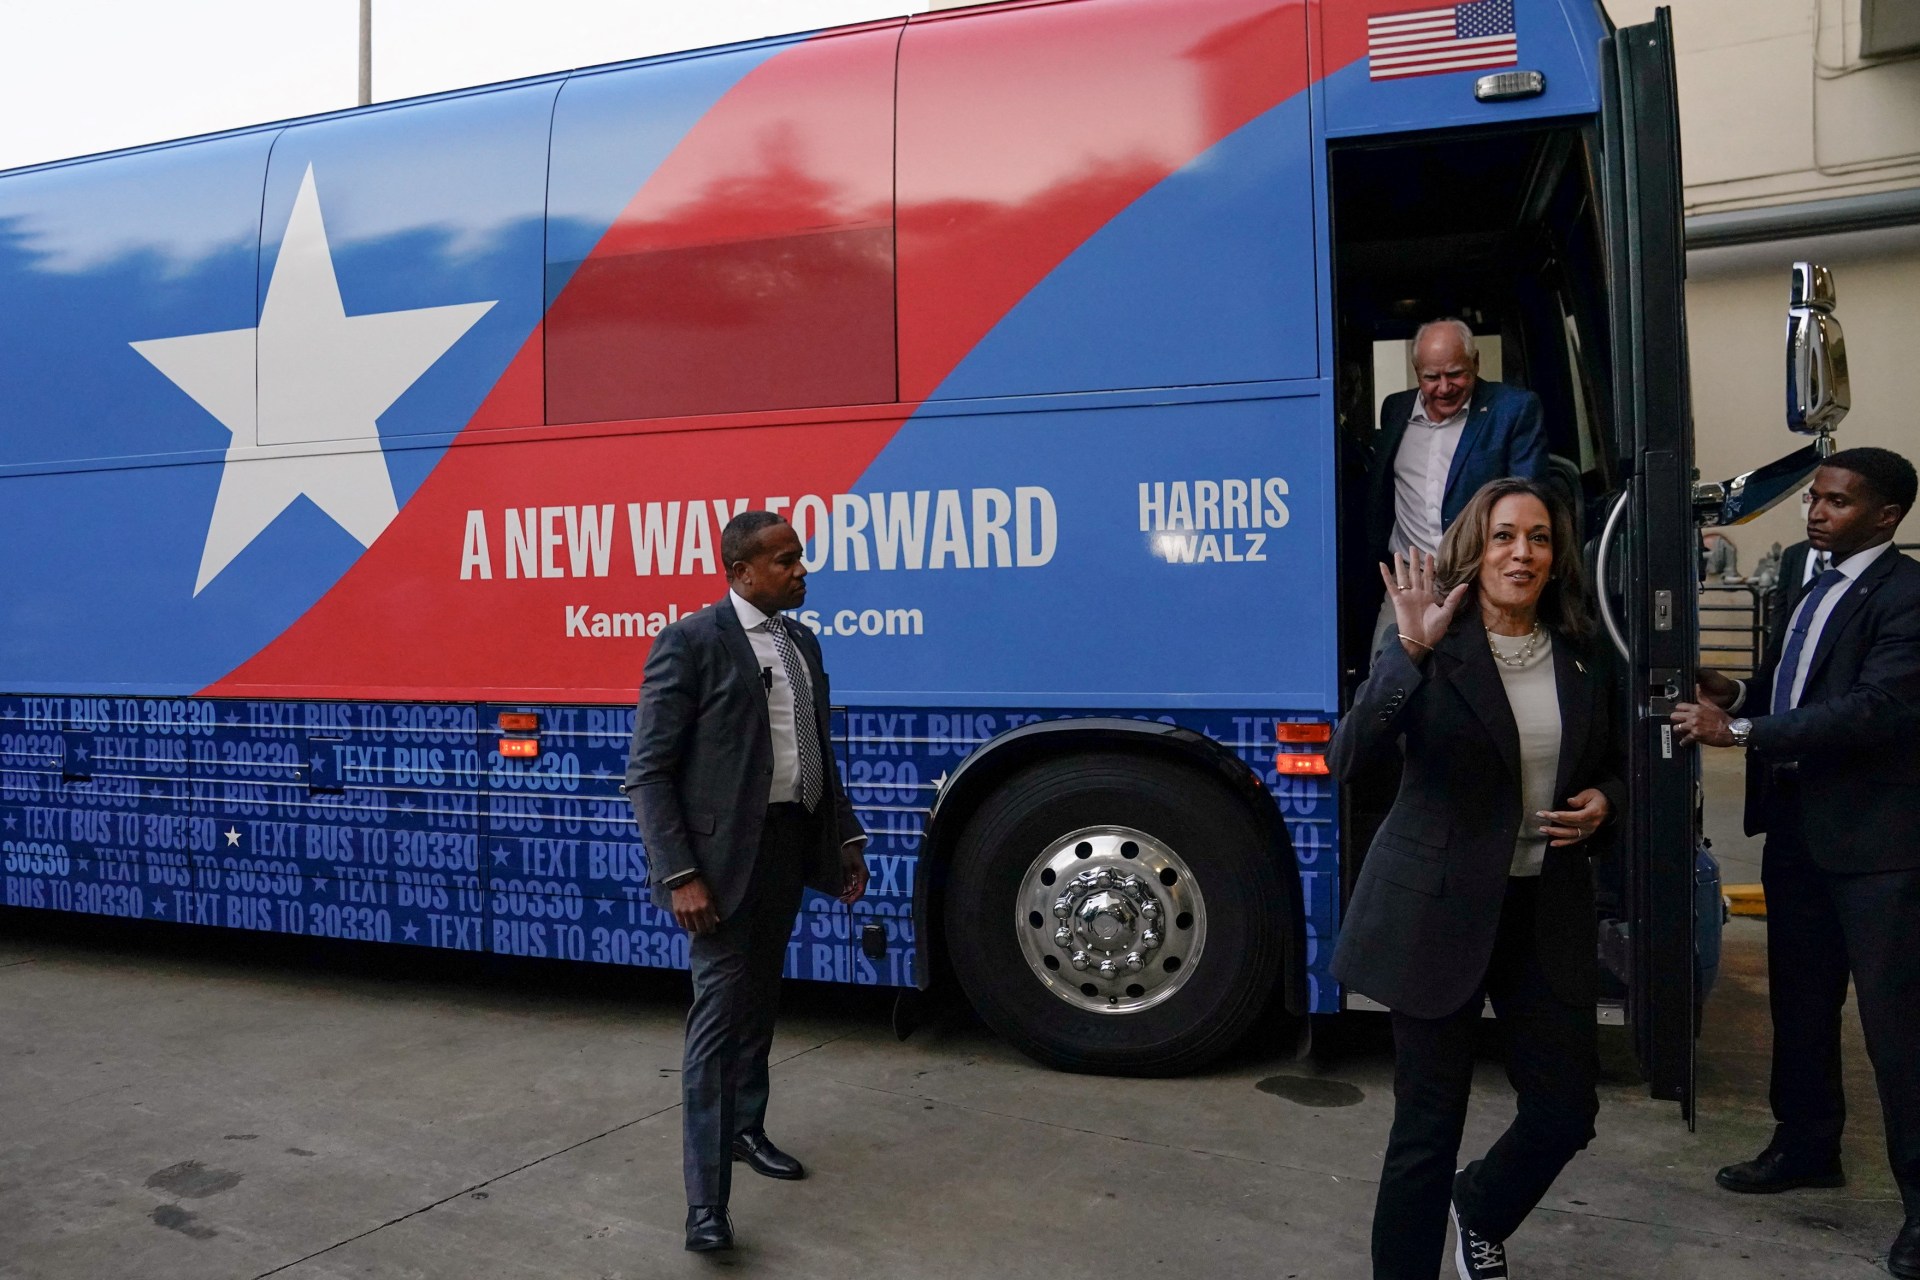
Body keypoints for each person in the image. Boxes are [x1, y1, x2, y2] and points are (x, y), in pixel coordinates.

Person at [1332, 476, 1623, 1280]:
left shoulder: (1582, 650)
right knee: (1426, 1132)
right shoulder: (1433, 640)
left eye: (1537, 537)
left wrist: (1609, 801)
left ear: (1557, 555)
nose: (1521, 553)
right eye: (1503, 536)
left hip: (1543, 910)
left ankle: (1484, 1206)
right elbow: (1349, 760)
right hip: (1438, 913)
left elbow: (1613, 765)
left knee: (1566, 1113)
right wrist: (1412, 651)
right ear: (1475, 547)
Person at [1672, 447, 1920, 1280]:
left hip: (1881, 850)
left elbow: (1873, 710)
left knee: (1898, 1034)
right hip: (1799, 838)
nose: (1816, 512)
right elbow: (1798, 688)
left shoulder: (1908, 597)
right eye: (1815, 498)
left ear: (1886, 516)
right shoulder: (1806, 583)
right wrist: (1734, 694)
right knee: (1803, 1010)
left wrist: (1736, 735)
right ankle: (1807, 1145)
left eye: (1838, 502)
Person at [623, 510, 870, 1253]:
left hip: (788, 850)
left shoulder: (801, 644)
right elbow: (649, 772)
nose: (801, 570)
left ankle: (745, 1130)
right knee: (716, 1026)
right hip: (720, 871)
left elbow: (815, 751)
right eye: (786, 559)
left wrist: (846, 841)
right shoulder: (691, 642)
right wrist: (681, 876)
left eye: (799, 557)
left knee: (760, 1003)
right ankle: (706, 1208)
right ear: (742, 572)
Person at [1365, 318, 1552, 655]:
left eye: (1456, 374)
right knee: (1387, 681)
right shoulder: (1394, 409)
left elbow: (1529, 501)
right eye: (1431, 377)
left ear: (1476, 363)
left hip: (1480, 579)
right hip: (1410, 580)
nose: (1444, 387)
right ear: (1416, 370)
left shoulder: (1512, 410)